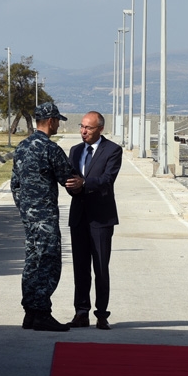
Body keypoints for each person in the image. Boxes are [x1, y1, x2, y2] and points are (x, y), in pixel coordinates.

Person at [11, 102, 83, 332]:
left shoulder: (22, 147)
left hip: (29, 217)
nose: (57, 126)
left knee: (32, 262)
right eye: (57, 121)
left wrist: (24, 209)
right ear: (51, 121)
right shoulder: (50, 149)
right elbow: (69, 180)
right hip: (45, 216)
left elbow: (15, 185)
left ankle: (30, 312)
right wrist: (82, 183)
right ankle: (41, 312)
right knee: (48, 263)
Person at [66, 111, 122, 330]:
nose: (83, 131)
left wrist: (84, 184)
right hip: (79, 216)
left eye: (88, 128)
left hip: (101, 218)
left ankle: (101, 314)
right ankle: (81, 312)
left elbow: (107, 179)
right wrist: (72, 186)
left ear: (100, 129)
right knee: (80, 267)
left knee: (100, 267)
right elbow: (70, 178)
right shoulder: (75, 150)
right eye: (81, 127)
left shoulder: (112, 150)